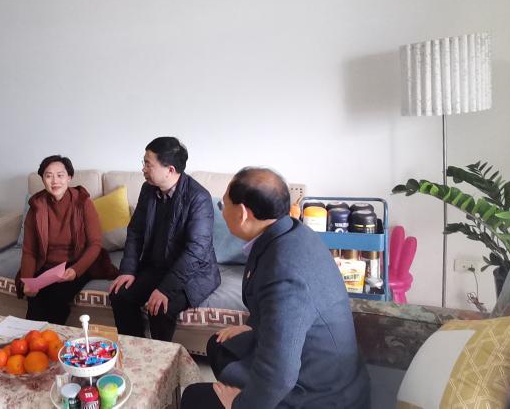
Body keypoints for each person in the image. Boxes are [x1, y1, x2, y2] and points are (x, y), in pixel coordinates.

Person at [181, 167, 370, 408]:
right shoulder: (288, 232)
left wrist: (239, 403)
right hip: (305, 359)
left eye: (223, 205)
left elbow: (280, 374)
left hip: (320, 393)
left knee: (194, 397)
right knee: (219, 346)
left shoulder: (285, 273)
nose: (222, 210)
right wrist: (254, 326)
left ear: (242, 213)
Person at [108, 137, 220, 341]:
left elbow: (196, 251)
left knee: (160, 308)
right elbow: (135, 232)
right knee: (119, 295)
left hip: (193, 273)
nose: (143, 169)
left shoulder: (198, 198)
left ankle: (161, 356)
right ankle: (135, 348)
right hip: (158, 266)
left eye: (148, 164)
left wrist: (165, 289)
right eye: (143, 163)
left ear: (170, 169)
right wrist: (128, 270)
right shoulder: (148, 189)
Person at [17, 155, 119, 325]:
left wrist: (75, 270)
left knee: (57, 296)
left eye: (60, 175)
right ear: (42, 179)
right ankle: (33, 338)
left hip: (76, 263)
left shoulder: (83, 202)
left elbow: (95, 244)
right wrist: (27, 280)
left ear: (69, 177)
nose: (55, 181)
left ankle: (53, 337)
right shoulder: (36, 206)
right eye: (49, 176)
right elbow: (29, 250)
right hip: (46, 266)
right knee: (35, 298)